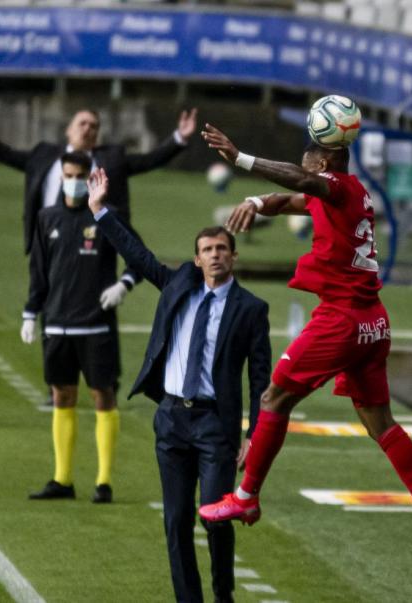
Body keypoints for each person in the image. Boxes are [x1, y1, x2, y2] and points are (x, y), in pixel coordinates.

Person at [198, 124, 412, 566]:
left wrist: (241, 160)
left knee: (274, 398)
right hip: (373, 322)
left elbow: (302, 183)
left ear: (326, 162)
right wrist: (256, 202)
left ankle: (246, 497)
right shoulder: (349, 193)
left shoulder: (332, 185)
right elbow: (289, 199)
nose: (302, 167)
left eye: (307, 161)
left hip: (342, 319)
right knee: (381, 424)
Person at [87, 167, 271, 603]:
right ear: (196, 258)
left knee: (214, 517)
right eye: (206, 250)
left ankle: (223, 593)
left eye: (222, 249)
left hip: (215, 427)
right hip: (170, 418)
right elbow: (138, 251)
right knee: (175, 521)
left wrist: (255, 437)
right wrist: (100, 210)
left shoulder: (251, 309)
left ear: (233, 256)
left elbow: (260, 378)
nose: (214, 256)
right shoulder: (177, 286)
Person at [23, 152, 140, 504]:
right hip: (57, 325)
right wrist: (31, 312)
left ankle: (103, 482)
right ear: (61, 176)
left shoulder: (107, 217)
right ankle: (62, 479)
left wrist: (124, 285)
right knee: (62, 397)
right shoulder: (46, 218)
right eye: (68, 174)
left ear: (90, 178)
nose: (73, 180)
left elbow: (137, 257)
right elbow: (39, 272)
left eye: (80, 175)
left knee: (102, 396)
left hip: (95, 326)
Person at [0, 101, 197, 254]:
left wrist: (180, 138)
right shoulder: (44, 155)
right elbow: (6, 154)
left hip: (93, 244)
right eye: (82, 123)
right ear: (68, 129)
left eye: (93, 125)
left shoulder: (111, 160)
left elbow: (149, 160)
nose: (87, 128)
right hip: (49, 240)